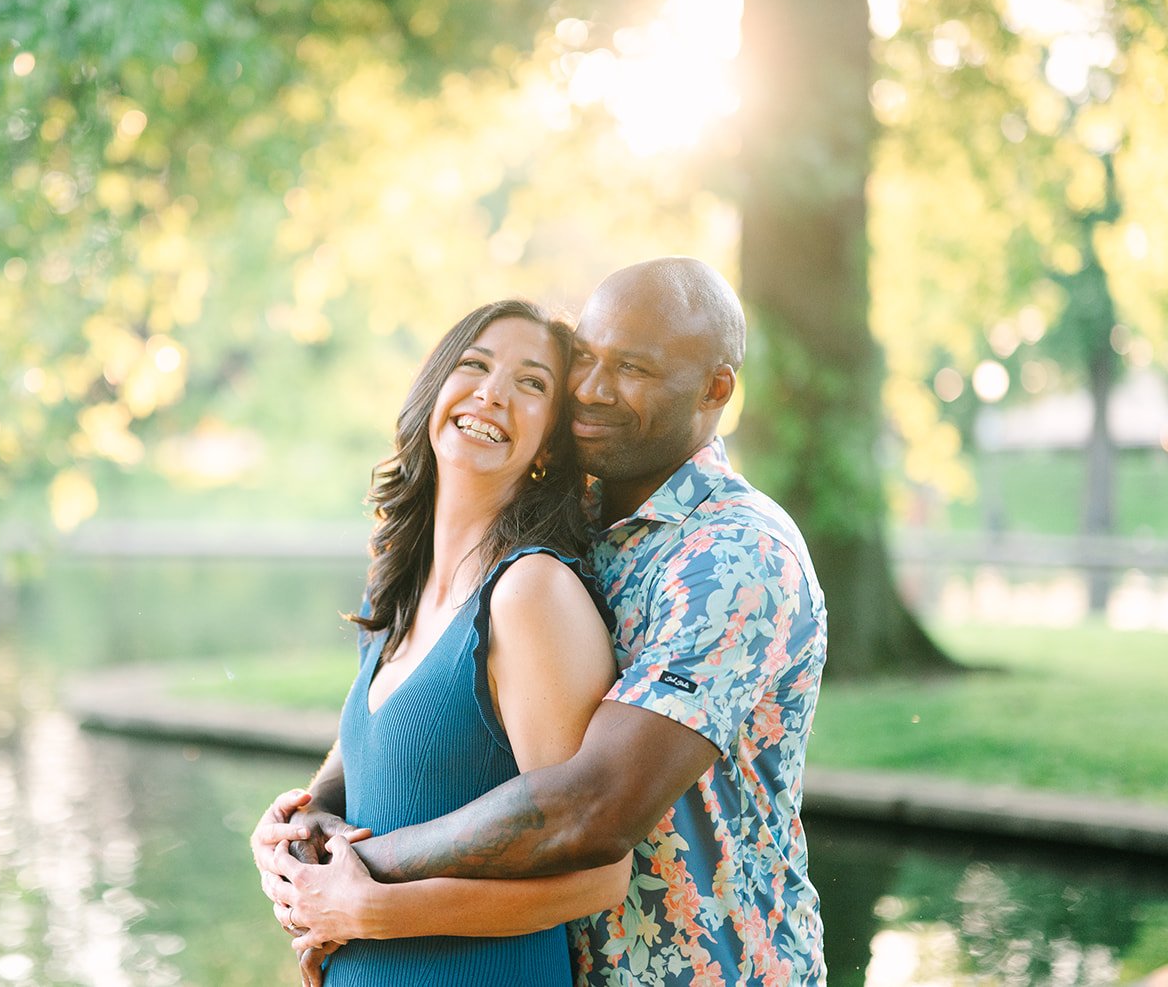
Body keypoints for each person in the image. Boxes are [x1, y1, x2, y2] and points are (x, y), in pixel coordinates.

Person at [255, 257, 829, 986]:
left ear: (716, 389)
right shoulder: (566, 517)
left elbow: (590, 806)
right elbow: (436, 695)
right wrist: (311, 815)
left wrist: (362, 867)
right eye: (583, 358)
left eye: (631, 368)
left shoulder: (735, 555)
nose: (589, 387)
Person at [256, 298, 634, 985]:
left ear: (550, 441)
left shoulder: (529, 595)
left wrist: (373, 914)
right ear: (435, 389)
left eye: (531, 383)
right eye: (476, 364)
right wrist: (296, 827)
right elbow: (375, 751)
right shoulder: (396, 585)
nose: (492, 392)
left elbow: (598, 877)